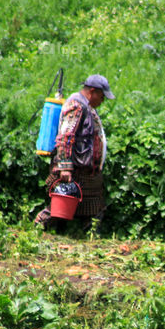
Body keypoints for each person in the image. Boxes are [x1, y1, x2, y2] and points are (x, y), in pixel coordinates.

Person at [34, 74, 114, 231]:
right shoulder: (76, 106)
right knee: (60, 205)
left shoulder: (86, 106)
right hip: (75, 168)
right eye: (102, 96)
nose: (102, 101)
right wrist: (65, 166)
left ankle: (89, 235)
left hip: (86, 170)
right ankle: (36, 229)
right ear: (92, 91)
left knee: (94, 205)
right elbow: (65, 136)